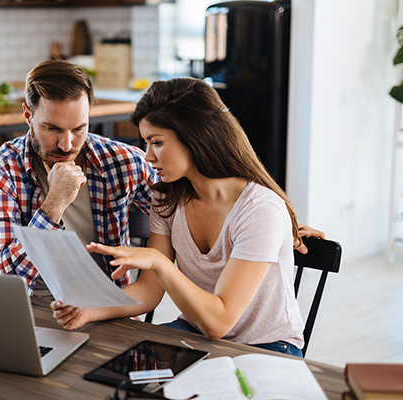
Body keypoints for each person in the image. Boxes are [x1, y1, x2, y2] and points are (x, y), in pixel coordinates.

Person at [51, 78, 326, 357]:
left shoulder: (260, 209)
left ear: (196, 136)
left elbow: (219, 322)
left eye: (156, 142)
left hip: (266, 347)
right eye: (146, 143)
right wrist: (88, 309)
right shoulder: (167, 198)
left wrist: (160, 263)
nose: (147, 157)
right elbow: (148, 291)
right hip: (195, 333)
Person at [0, 59, 157, 299]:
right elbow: (4, 283)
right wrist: (52, 207)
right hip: (34, 311)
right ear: (28, 115)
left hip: (110, 311)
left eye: (79, 129)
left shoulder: (123, 161)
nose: (67, 145)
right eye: (52, 129)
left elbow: (182, 220)